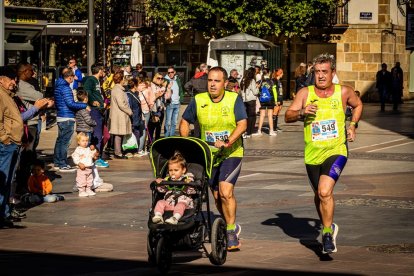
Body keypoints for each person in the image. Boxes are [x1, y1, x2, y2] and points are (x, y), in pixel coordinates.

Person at [284, 53, 363, 254]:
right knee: (319, 195)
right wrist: (302, 112)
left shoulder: (344, 91)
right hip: (312, 154)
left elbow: (358, 105)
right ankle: (328, 225)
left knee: (325, 191)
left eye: (324, 72)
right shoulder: (305, 93)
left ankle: (327, 233)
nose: (320, 76)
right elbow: (287, 116)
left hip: (336, 150)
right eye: (317, 72)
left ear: (332, 73)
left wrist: (352, 125)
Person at [179, 66, 247, 251]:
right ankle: (228, 224)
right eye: (210, 80)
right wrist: (186, 142)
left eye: (217, 81)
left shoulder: (234, 99)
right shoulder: (199, 99)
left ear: (225, 83)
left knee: (225, 191)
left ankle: (231, 231)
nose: (213, 85)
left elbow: (242, 124)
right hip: (208, 156)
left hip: (231, 153)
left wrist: (228, 141)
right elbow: (185, 121)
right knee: (217, 196)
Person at [0, 66, 24, 228]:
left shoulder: (8, 95)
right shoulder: (1, 95)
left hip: (12, 143)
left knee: (7, 181)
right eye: (10, 79)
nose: (14, 82)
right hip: (6, 144)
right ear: (1, 80)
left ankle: (4, 213)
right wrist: (5, 139)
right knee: (3, 181)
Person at [53, 67, 88, 172]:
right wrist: (83, 105)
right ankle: (62, 163)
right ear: (69, 77)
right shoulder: (65, 88)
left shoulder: (58, 86)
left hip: (60, 116)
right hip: (67, 116)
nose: (74, 79)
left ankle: (57, 162)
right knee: (65, 142)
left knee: (60, 140)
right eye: (73, 77)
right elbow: (70, 103)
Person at [152, 151, 196, 225]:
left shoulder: (188, 178)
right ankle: (158, 216)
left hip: (184, 203)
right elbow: (162, 190)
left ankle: (175, 218)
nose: (173, 173)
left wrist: (188, 184)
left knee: (180, 205)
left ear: (183, 170)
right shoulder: (167, 179)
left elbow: (192, 191)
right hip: (170, 203)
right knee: (160, 202)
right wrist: (160, 183)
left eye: (176, 170)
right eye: (170, 170)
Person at [83, 63, 109, 168]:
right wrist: (93, 101)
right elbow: (87, 91)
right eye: (103, 70)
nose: (104, 72)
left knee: (106, 135)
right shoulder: (90, 80)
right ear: (100, 71)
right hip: (95, 111)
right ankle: (96, 158)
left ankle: (97, 154)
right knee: (98, 135)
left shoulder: (98, 81)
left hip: (100, 111)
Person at [16, 62, 45, 154]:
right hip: (29, 122)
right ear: (25, 71)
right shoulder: (21, 85)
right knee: (28, 150)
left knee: (32, 148)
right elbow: (39, 96)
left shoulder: (31, 81)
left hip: (33, 118)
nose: (33, 72)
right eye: (31, 70)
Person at [109, 71, 133, 159]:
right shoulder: (118, 90)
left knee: (119, 134)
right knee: (118, 134)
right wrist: (129, 111)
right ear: (121, 79)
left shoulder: (118, 89)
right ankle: (118, 152)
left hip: (119, 115)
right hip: (120, 115)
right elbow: (121, 104)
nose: (125, 80)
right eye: (124, 78)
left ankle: (118, 151)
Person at [71, 132, 98, 197]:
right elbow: (75, 157)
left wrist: (94, 150)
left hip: (89, 168)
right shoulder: (78, 150)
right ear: (78, 142)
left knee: (89, 180)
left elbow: (92, 154)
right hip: (82, 168)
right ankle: (81, 191)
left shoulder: (88, 149)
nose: (85, 142)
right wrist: (79, 163)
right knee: (81, 180)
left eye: (86, 141)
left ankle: (88, 189)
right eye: (83, 141)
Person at [252, 68, 277, 136]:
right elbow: (274, 91)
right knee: (270, 115)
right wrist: (276, 100)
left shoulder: (260, 81)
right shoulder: (272, 81)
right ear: (269, 73)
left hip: (262, 100)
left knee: (262, 115)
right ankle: (271, 131)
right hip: (270, 100)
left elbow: (257, 89)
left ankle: (259, 130)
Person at [164, 66, 184, 137]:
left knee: (174, 123)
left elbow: (181, 90)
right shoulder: (165, 80)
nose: (170, 74)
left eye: (172, 72)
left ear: (174, 72)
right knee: (168, 122)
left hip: (177, 103)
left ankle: (171, 137)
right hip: (170, 103)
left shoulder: (177, 79)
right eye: (168, 72)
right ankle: (166, 137)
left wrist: (180, 100)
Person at [240, 67, 259, 138]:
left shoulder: (243, 80)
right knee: (252, 116)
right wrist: (257, 87)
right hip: (251, 100)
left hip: (244, 100)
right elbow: (255, 91)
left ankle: (246, 130)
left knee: (246, 116)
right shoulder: (252, 81)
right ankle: (250, 131)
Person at [149, 73, 168, 143]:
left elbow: (165, 96)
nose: (160, 80)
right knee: (151, 128)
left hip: (161, 109)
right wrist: (164, 88)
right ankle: (149, 144)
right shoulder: (152, 85)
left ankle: (157, 143)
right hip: (154, 110)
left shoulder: (160, 86)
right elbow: (157, 94)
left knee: (159, 128)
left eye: (161, 78)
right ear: (155, 78)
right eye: (158, 78)